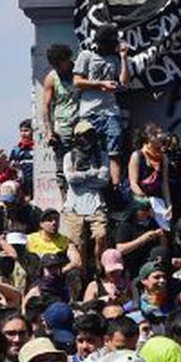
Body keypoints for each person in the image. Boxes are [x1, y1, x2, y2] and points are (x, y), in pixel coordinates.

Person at [73, 26, 129, 188]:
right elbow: (77, 81)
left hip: (111, 111)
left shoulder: (115, 58)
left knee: (115, 152)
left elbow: (125, 83)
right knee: (88, 151)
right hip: (90, 111)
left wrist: (124, 57)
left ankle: (115, 187)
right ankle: (91, 185)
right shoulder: (86, 55)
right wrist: (100, 84)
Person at [62, 120, 111, 280]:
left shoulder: (102, 155)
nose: (87, 139)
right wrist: (91, 173)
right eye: (83, 136)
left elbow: (103, 180)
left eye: (89, 135)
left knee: (101, 235)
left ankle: (100, 268)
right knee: (78, 244)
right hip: (74, 206)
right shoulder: (69, 157)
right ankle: (82, 278)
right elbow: (70, 178)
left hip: (96, 204)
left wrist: (82, 177)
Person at [42, 44, 82, 167]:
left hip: (82, 126)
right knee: (63, 167)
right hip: (62, 128)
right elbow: (46, 106)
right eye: (55, 65)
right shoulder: (51, 78)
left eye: (60, 63)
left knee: (82, 164)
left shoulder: (80, 71)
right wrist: (49, 131)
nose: (58, 68)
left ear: (67, 58)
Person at [129, 124, 173, 227]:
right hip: (141, 201)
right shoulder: (137, 155)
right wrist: (147, 203)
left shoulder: (163, 158)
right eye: (157, 134)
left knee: (163, 229)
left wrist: (168, 204)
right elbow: (133, 183)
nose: (161, 137)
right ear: (150, 137)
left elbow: (164, 183)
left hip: (157, 200)